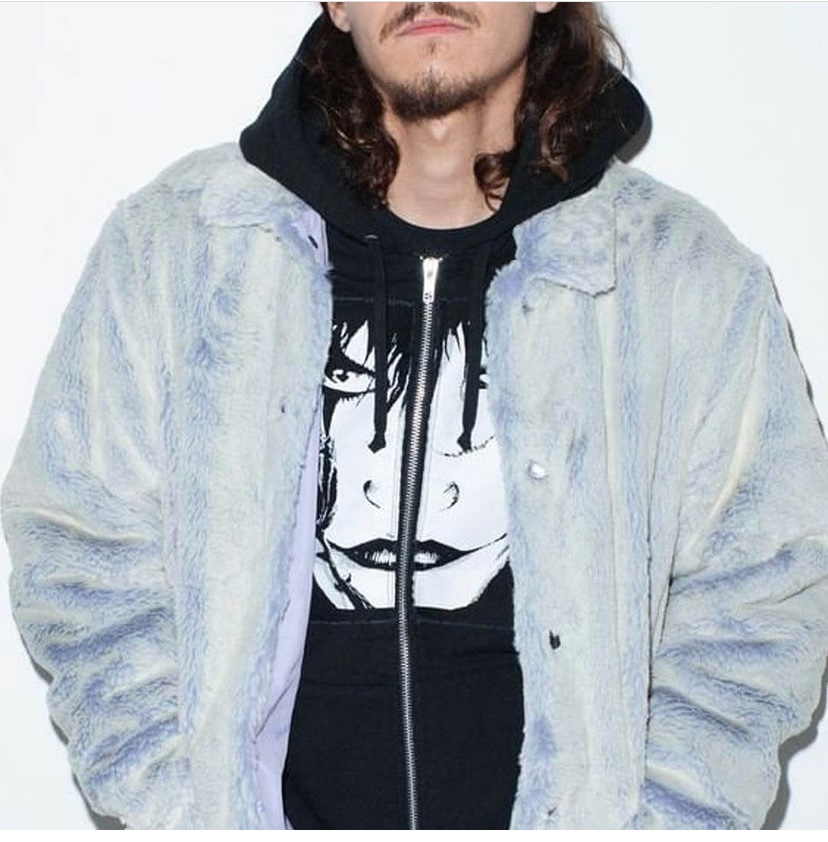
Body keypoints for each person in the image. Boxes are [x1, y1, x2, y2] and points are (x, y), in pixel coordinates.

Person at [4, 1, 828, 830]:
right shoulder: (183, 247)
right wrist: (188, 813)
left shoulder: (680, 276)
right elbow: (78, 546)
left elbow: (765, 591)